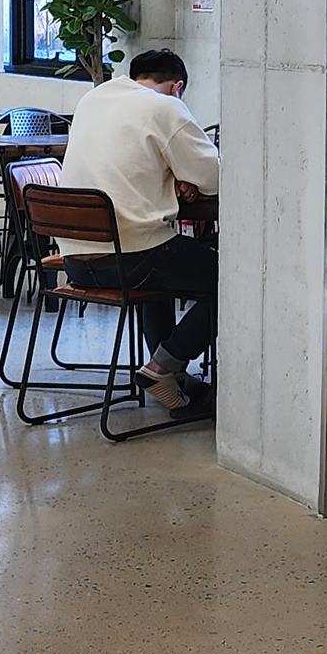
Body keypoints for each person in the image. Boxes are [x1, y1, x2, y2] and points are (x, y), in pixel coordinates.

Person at [57, 49, 219, 419]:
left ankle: (170, 380)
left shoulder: (93, 99)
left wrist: (174, 177)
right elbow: (214, 177)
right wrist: (187, 176)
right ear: (177, 87)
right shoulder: (166, 107)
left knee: (160, 268)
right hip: (132, 258)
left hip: (77, 261)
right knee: (234, 281)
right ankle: (162, 367)